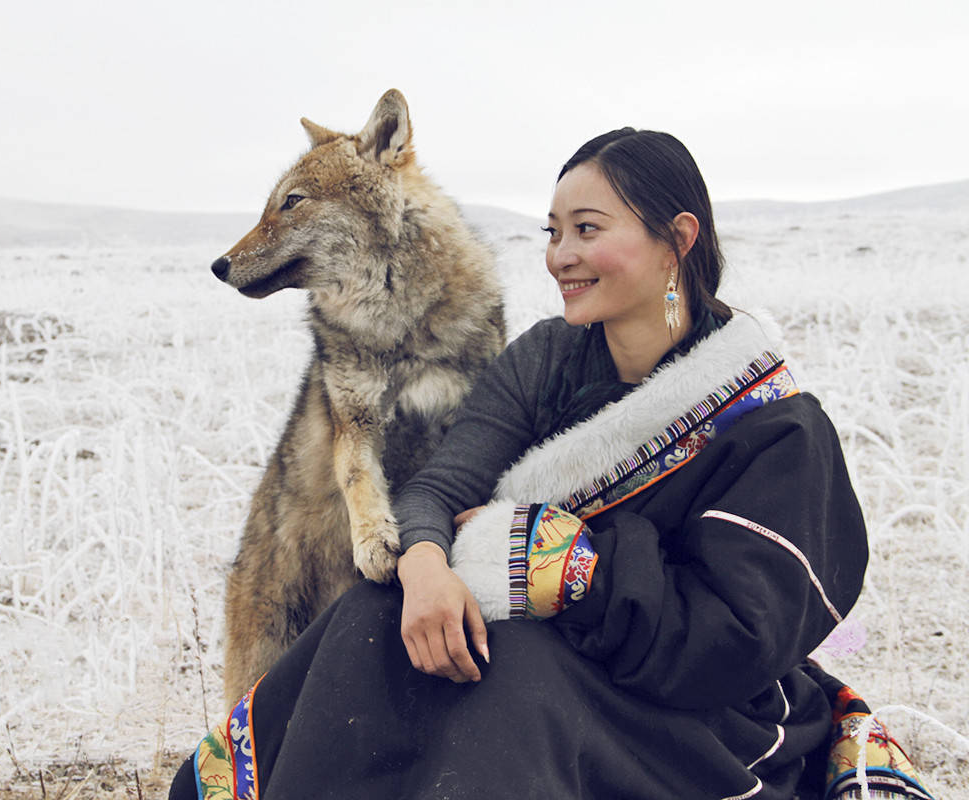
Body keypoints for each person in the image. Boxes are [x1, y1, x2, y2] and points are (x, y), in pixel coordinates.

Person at [171, 129, 935, 800]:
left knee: (521, 679)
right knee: (378, 614)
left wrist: (565, 566)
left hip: (697, 712)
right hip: (560, 654)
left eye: (587, 230)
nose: (559, 256)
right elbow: (444, 483)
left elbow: (730, 642)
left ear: (678, 238)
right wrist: (431, 564)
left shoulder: (775, 428)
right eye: (552, 231)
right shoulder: (545, 359)